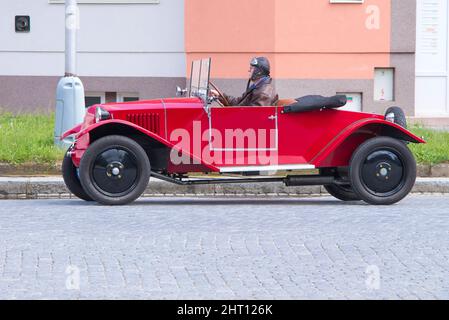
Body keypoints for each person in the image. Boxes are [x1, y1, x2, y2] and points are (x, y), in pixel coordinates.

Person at [211, 57, 278, 106]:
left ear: (258, 72)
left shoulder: (263, 92)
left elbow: (252, 116)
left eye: (251, 69)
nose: (249, 71)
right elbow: (237, 102)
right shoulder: (256, 88)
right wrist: (219, 95)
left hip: (249, 124)